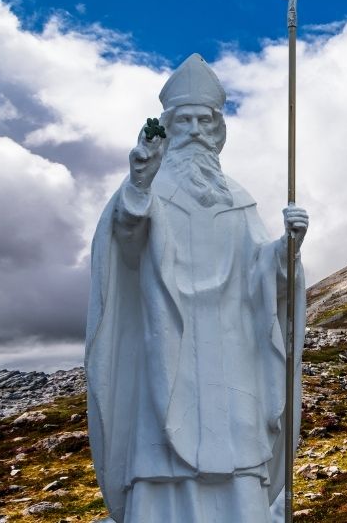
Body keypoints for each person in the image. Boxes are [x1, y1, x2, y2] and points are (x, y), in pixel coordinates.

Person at [85, 53, 307, 523]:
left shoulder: (238, 200)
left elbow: (261, 275)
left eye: (204, 121)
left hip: (231, 351)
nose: (195, 130)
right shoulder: (148, 188)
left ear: (218, 129)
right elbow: (126, 244)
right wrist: (138, 185)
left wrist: (288, 248)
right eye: (183, 121)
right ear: (168, 128)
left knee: (239, 460)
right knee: (161, 453)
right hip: (168, 348)